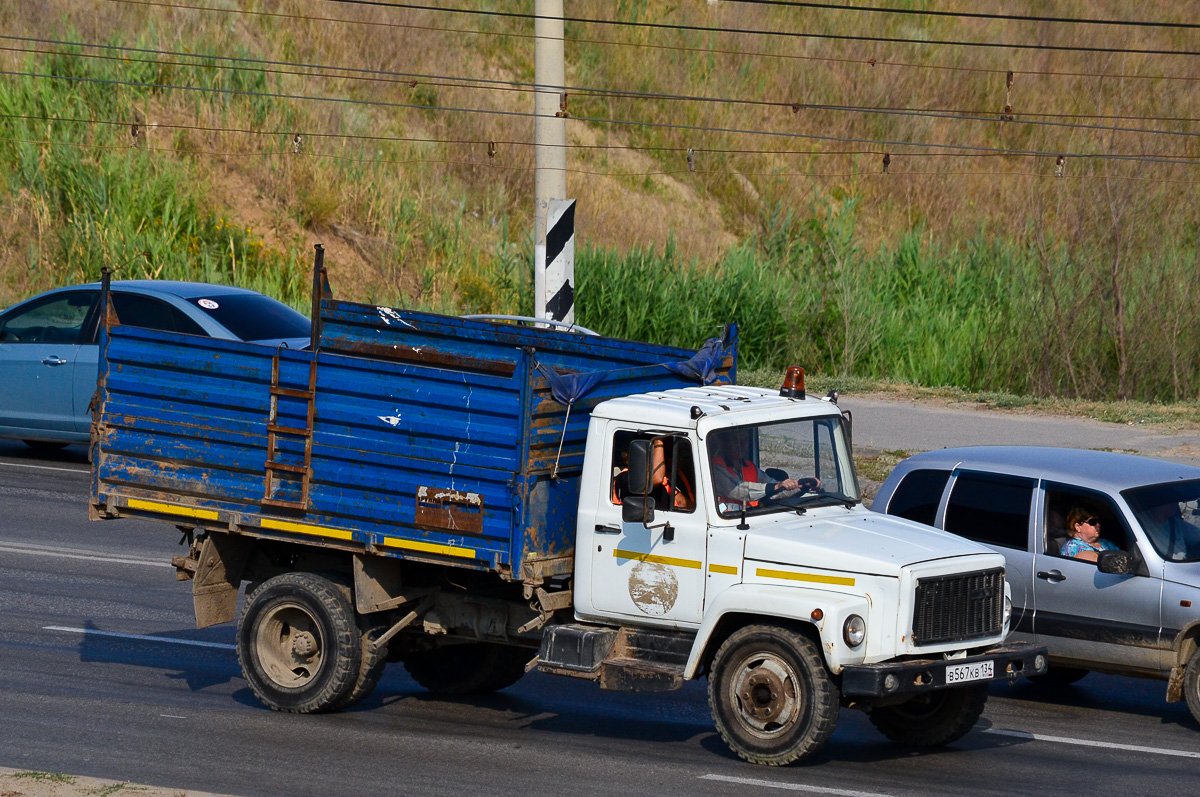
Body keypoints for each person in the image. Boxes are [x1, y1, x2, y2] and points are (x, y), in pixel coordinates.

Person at [710, 428, 817, 509]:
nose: (741, 444)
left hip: (754, 517)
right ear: (725, 443)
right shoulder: (715, 468)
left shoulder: (750, 468)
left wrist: (800, 486)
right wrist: (777, 486)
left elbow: (776, 491)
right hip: (726, 522)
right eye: (736, 440)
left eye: (745, 440)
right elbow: (740, 491)